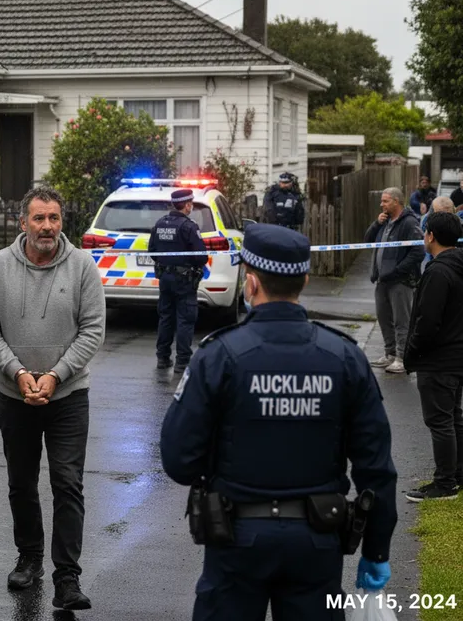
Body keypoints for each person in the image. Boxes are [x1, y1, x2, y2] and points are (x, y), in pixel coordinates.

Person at [160, 223, 398, 621]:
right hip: (318, 542)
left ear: (250, 283)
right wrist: (376, 552)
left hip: (235, 538)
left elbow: (178, 458)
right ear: (304, 279)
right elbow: (377, 466)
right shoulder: (344, 356)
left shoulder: (218, 354)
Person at [0, 186, 105, 612]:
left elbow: (92, 331)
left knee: (67, 483)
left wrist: (54, 375)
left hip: (68, 394)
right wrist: (19, 373)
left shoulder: (83, 266)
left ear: (62, 221)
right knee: (21, 483)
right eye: (38, 218)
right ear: (23, 223)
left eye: (53, 218)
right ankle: (29, 558)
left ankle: (67, 577)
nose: (47, 226)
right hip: (14, 394)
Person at [404, 212, 463, 502]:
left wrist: (413, 349)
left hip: (438, 359)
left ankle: (445, 484)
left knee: (440, 421)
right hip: (456, 356)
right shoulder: (457, 265)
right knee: (453, 418)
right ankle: (457, 475)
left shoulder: (438, 272)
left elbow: (428, 321)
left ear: (431, 236)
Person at [148, 188, 208, 374]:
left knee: (166, 317)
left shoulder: (160, 224)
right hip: (184, 280)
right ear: (187, 204)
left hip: (165, 278)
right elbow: (201, 257)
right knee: (185, 319)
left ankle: (163, 358)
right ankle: (182, 362)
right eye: (190, 203)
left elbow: (152, 251)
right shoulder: (189, 227)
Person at [364, 187, 424, 374]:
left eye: (385, 201)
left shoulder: (409, 222)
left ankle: (402, 358)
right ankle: (389, 353)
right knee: (384, 318)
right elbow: (367, 241)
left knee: (401, 321)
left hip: (401, 281)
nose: (381, 204)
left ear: (397, 202)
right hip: (382, 280)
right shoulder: (385, 221)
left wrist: (398, 270)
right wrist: (376, 224)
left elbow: (418, 251)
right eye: (382, 201)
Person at [419, 196, 462, 270]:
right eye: (439, 215)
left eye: (448, 215)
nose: (444, 219)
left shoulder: (459, 225)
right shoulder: (426, 223)